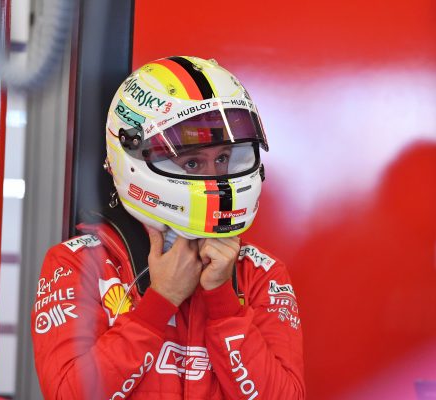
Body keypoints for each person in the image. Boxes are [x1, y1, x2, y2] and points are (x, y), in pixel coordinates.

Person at [31, 56, 305, 399]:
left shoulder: (260, 273)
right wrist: (160, 301)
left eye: (222, 158)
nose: (215, 176)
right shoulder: (78, 264)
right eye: (192, 162)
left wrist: (223, 300)